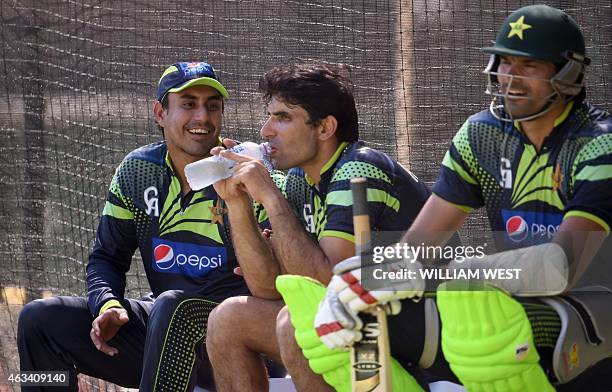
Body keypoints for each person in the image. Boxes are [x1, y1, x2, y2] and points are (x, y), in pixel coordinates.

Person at [310, 4, 612, 392]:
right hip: (512, 295)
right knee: (344, 326)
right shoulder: (480, 134)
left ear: (569, 72)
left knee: (480, 324)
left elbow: (562, 268)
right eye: (504, 63)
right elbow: (417, 250)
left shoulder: (599, 141)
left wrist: (451, 273)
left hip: (593, 300)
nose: (511, 79)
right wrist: (358, 279)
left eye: (529, 67)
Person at [17, 61, 265, 391]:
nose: (202, 117)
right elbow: (107, 258)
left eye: (212, 106)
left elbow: (271, 280)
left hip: (235, 347)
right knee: (40, 319)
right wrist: (108, 304)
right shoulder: (138, 171)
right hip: (162, 331)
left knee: (172, 305)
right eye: (188, 104)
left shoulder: (249, 174)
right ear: (160, 113)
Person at [204, 64, 453, 391]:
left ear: (325, 128)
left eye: (282, 117)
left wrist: (271, 199)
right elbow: (265, 288)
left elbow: (332, 281)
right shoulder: (299, 179)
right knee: (229, 320)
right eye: (269, 116)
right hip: (360, 320)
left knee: (297, 323)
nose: (265, 130)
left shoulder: (359, 167)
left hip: (427, 336)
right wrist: (238, 205)